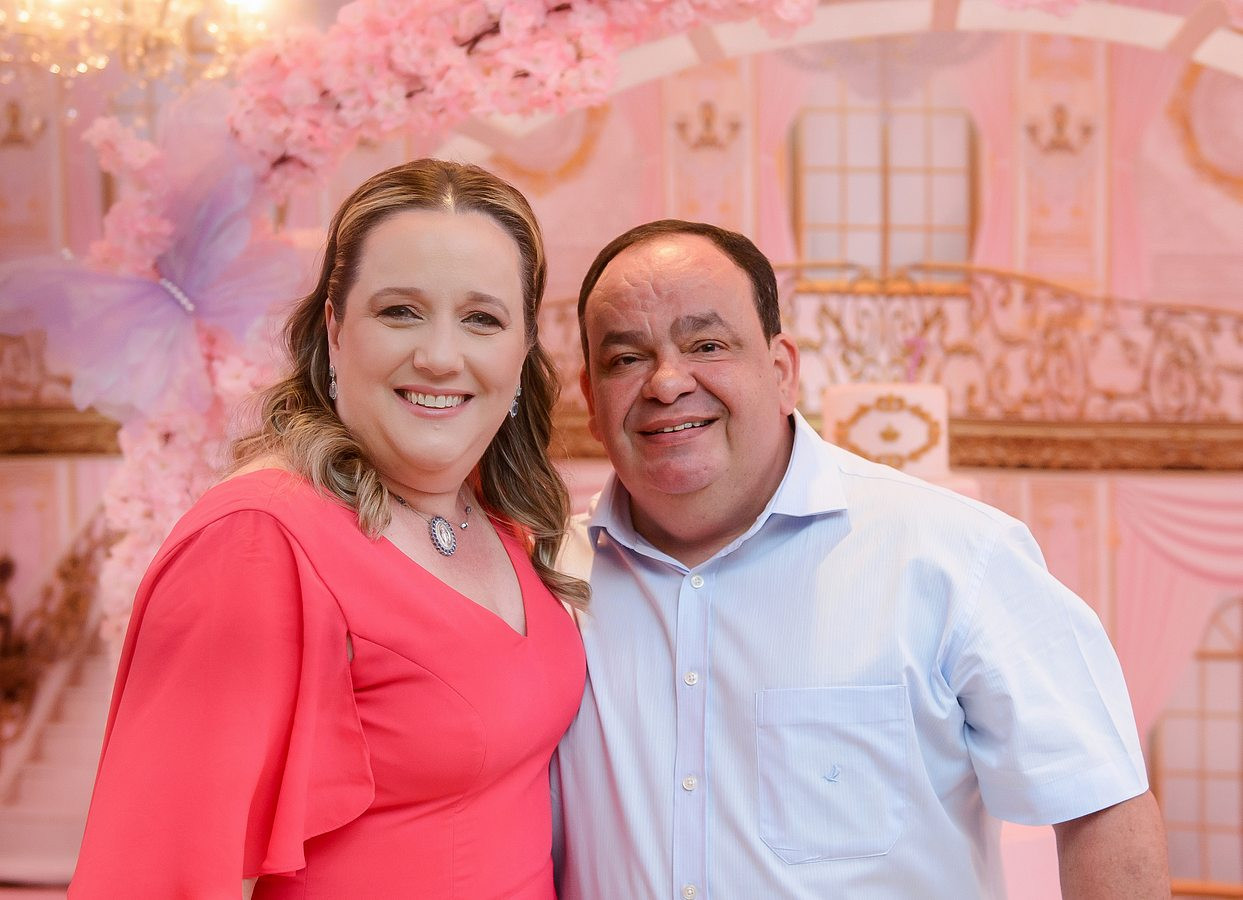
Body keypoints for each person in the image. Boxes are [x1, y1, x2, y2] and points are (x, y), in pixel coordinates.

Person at [552, 219, 1169, 899]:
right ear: (591, 399)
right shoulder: (545, 580)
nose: (666, 383)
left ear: (781, 371)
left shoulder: (955, 556)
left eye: (707, 345)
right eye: (625, 359)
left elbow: (1099, 805)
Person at [70, 159, 588, 899]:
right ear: (334, 331)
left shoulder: (499, 518)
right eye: (400, 311)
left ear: (523, 348)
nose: (440, 356)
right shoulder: (258, 540)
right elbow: (152, 876)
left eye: (482, 318)